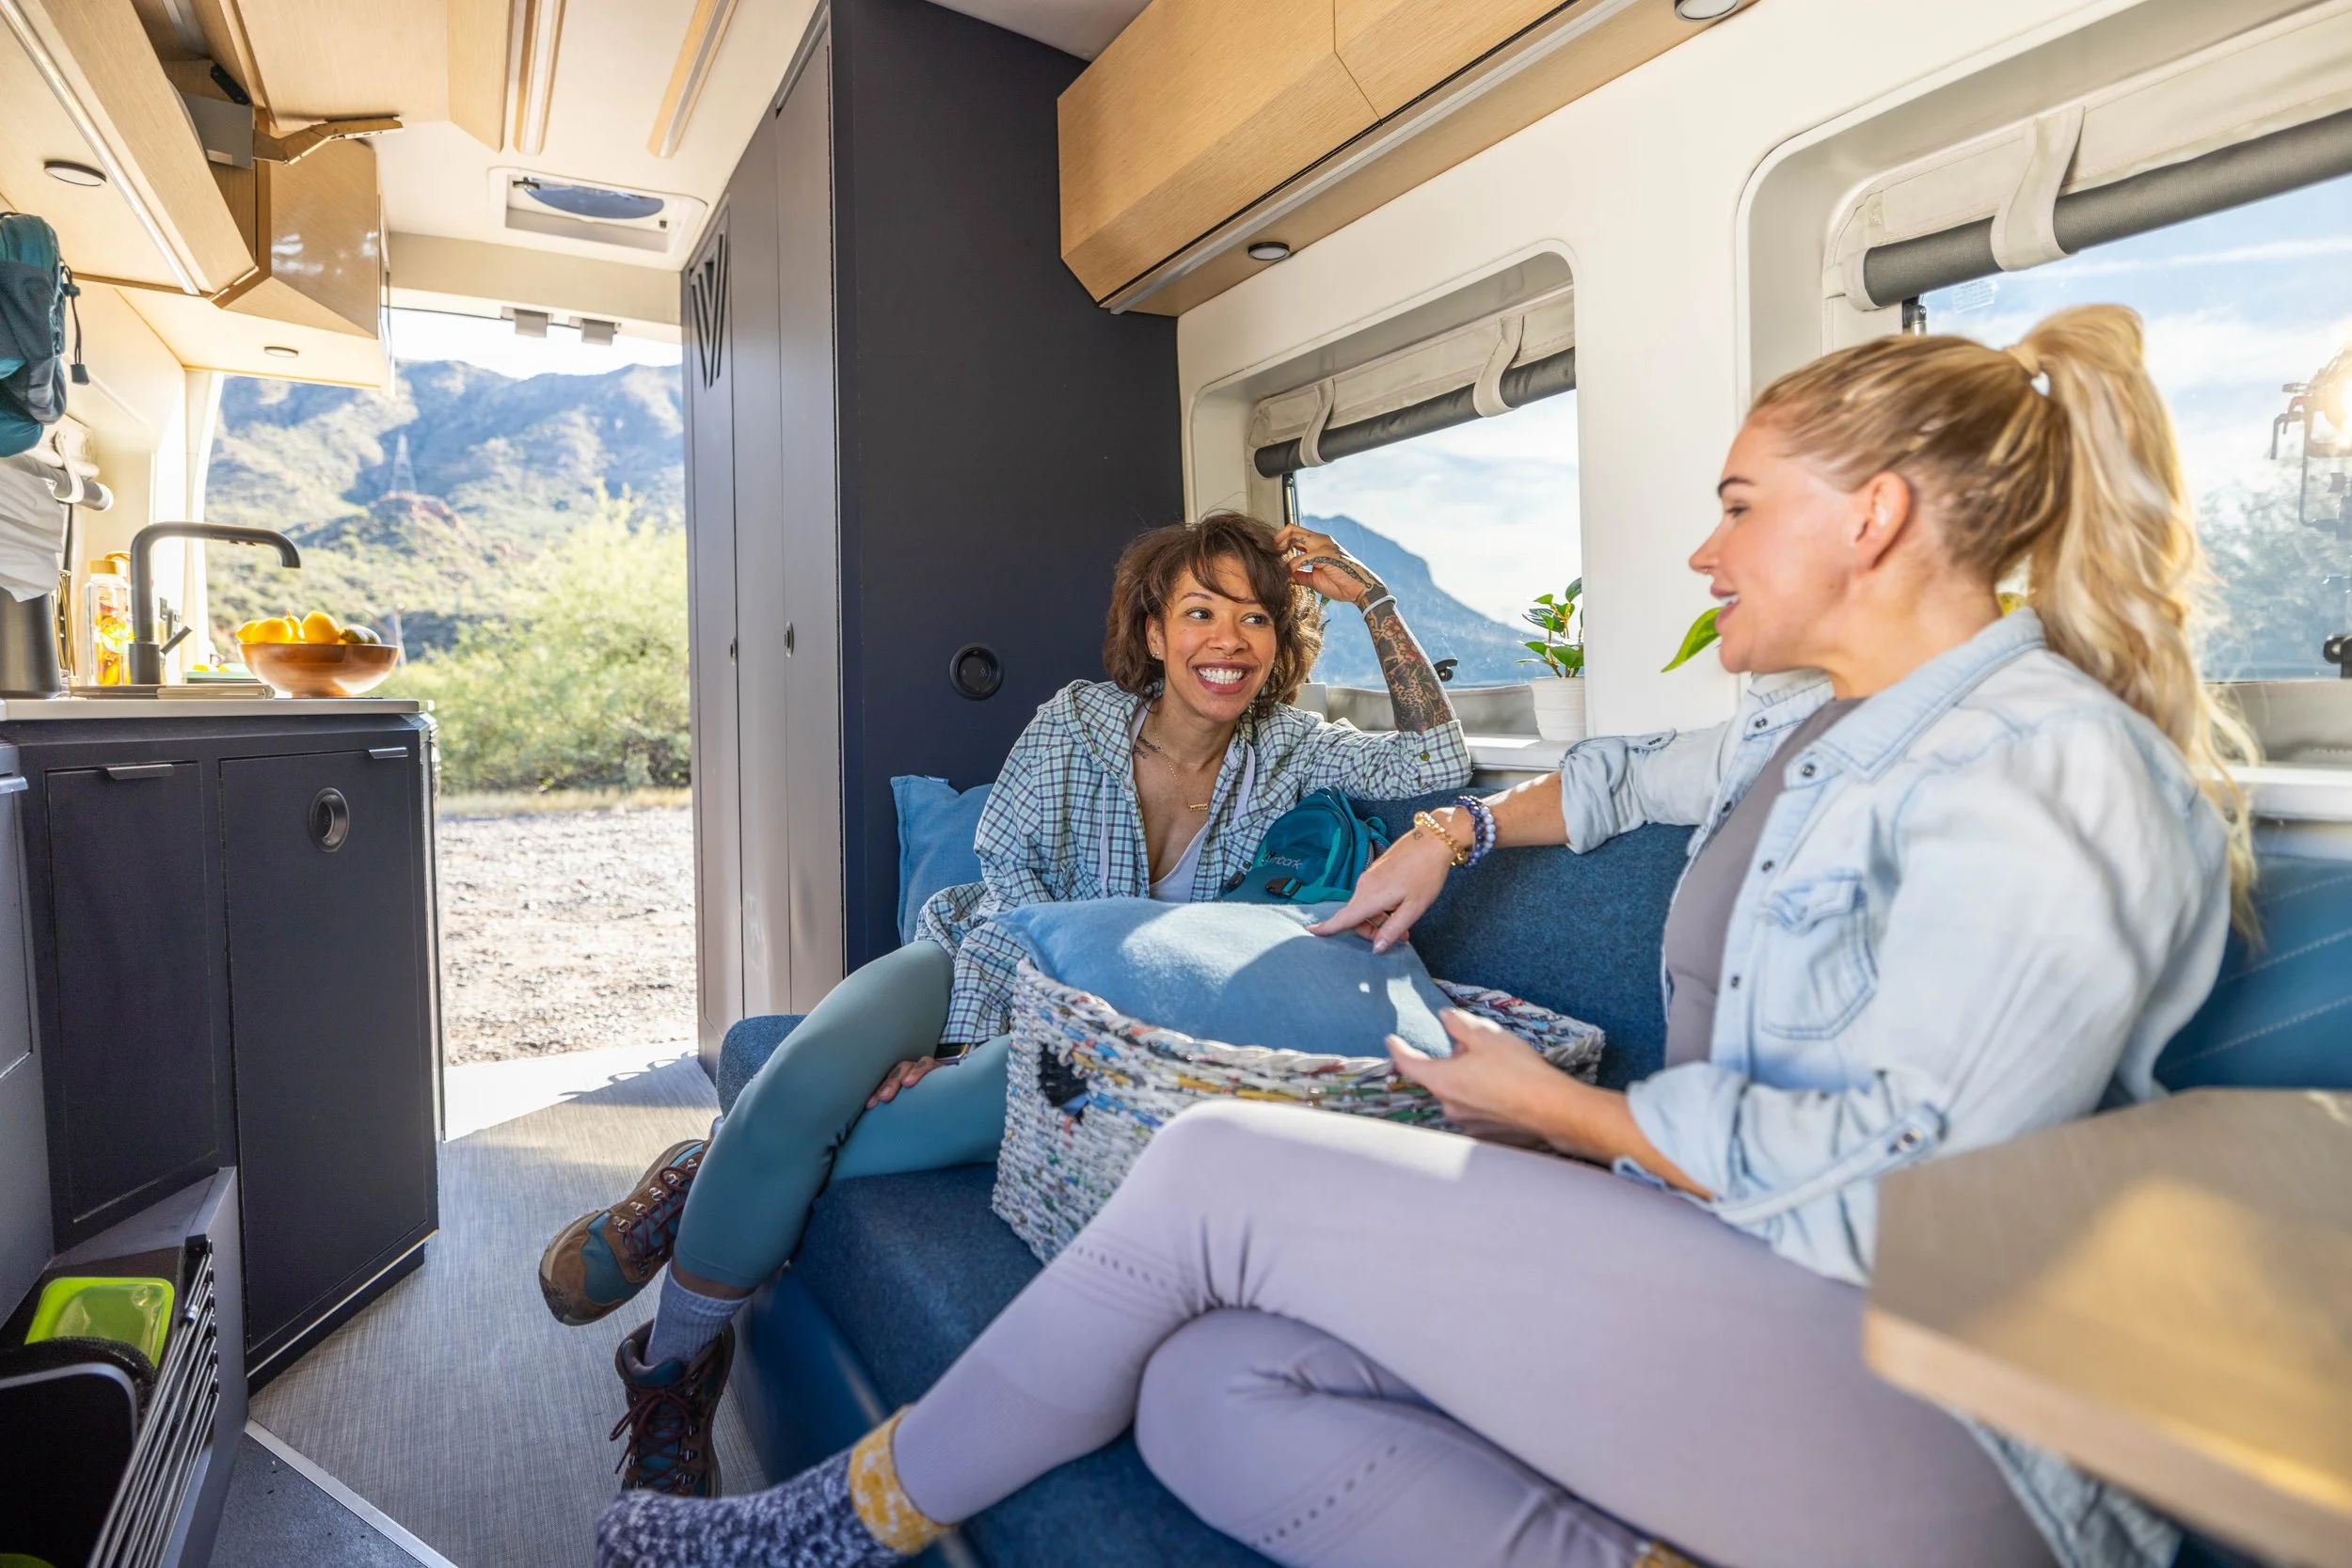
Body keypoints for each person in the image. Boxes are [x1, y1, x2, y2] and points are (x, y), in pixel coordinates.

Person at [593, 305, 2249, 1568]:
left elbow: (1900, 1174)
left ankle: (817, 1530)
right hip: (1739, 1267)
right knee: (1205, 1386)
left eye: (1743, 506)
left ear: (1875, 518)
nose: (1704, 547)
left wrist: (1561, 1113)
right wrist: (1457, 837)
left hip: (1953, 1389)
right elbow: (1598, 779)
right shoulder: (1801, 733)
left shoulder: (2048, 769)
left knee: (1226, 1169)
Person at [540, 510, 1472, 1496]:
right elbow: (1009, 885)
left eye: (1255, 618)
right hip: (971, 951)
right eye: (1201, 611)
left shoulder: (1290, 751)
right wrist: (964, 1034)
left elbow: (1437, 769)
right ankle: (697, 1280)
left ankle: (685, 1278)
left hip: (1094, 1027)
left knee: (904, 1110)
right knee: (807, 1072)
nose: (1229, 640)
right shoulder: (1072, 720)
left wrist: (1373, 597)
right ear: (1153, 631)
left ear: (1279, 643)